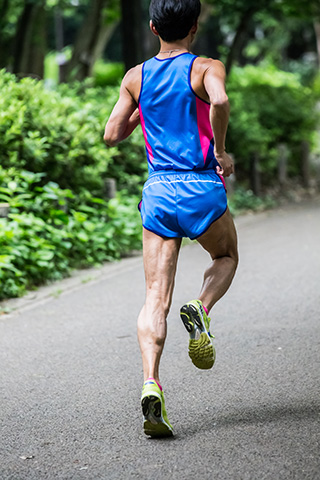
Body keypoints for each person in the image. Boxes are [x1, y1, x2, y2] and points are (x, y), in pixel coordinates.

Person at [104, 0, 238, 438]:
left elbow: (111, 134)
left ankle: (151, 383)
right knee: (226, 257)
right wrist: (220, 150)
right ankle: (201, 306)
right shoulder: (205, 67)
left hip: (160, 193)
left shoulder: (135, 77)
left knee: (154, 297)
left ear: (152, 27)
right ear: (195, 27)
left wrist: (144, 109)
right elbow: (218, 99)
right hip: (201, 190)